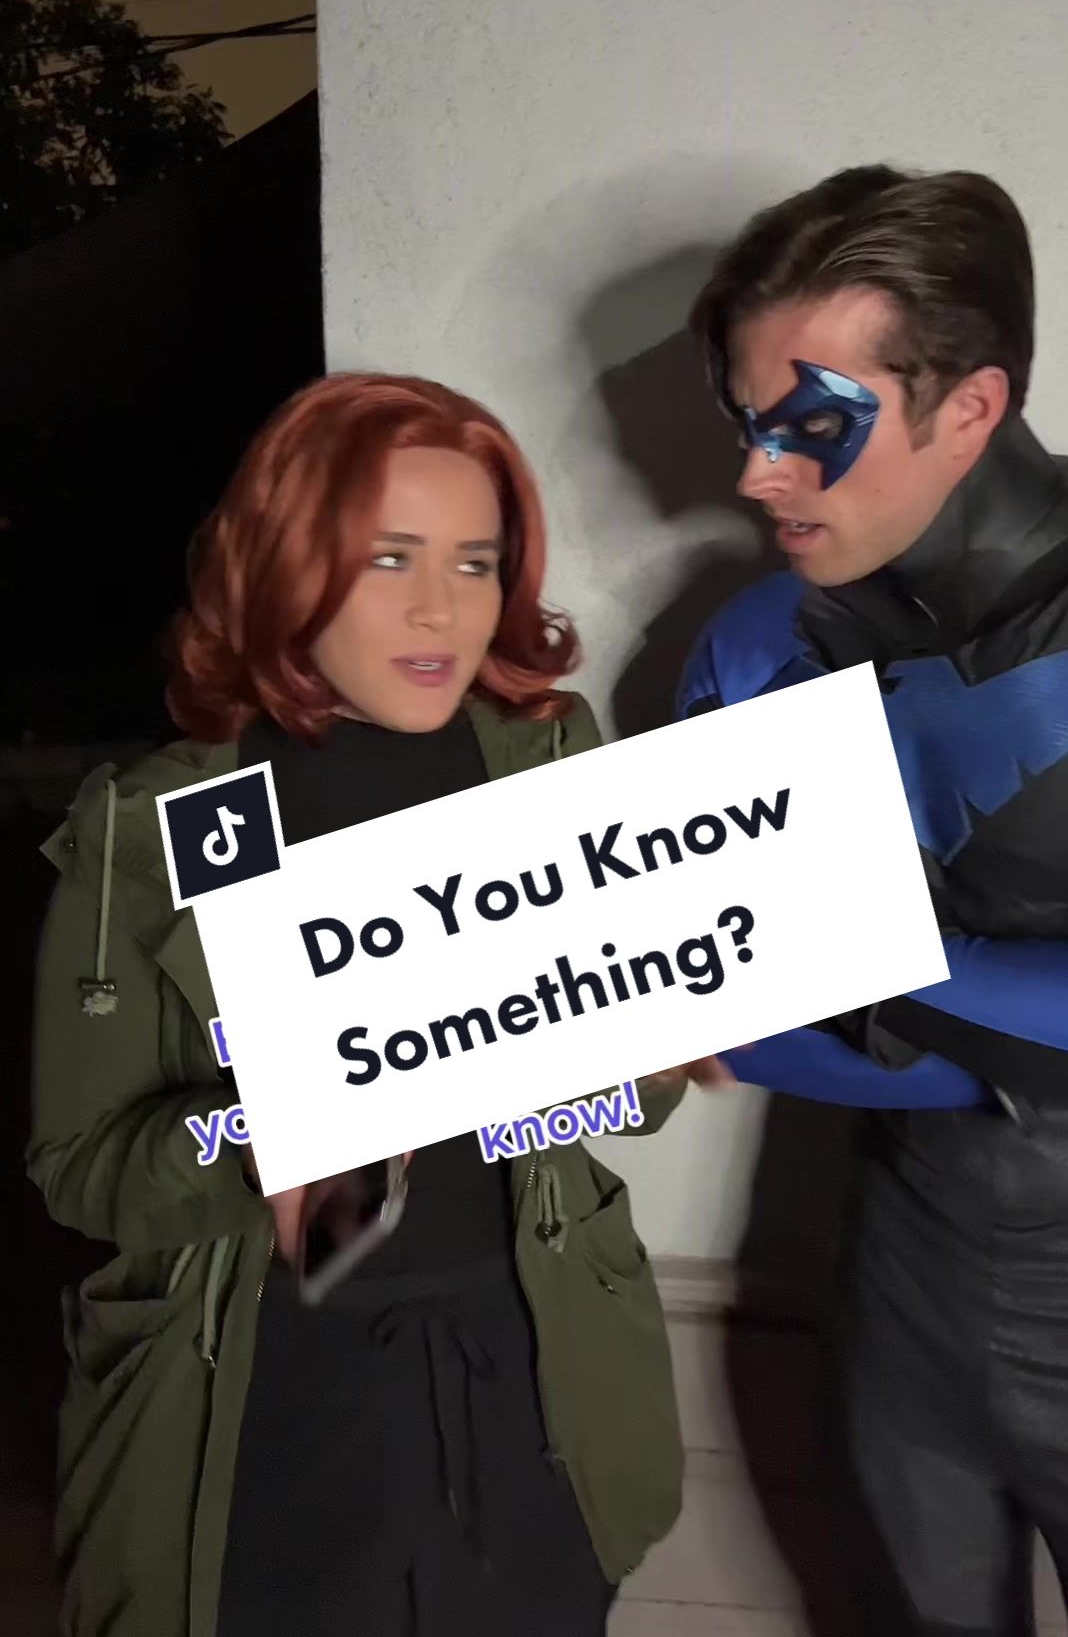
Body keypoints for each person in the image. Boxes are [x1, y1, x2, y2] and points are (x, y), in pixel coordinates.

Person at [28, 372, 686, 1637]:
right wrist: (252, 1138)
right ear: (286, 563)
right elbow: (80, 1167)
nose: (443, 606)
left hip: (533, 1370)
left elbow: (628, 1097)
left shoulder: (548, 764)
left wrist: (658, 1035)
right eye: (390, 558)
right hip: (264, 1390)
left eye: (477, 562)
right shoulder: (161, 824)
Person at [680, 167, 1068, 1637]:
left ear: (969, 408)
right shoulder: (755, 643)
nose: (754, 475)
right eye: (747, 420)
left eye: (810, 426)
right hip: (904, 1271)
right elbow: (702, 989)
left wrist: (849, 958)